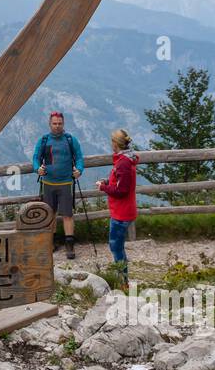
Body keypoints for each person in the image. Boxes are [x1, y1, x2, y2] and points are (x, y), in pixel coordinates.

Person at [33, 111, 84, 259]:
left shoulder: (70, 139)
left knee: (68, 214)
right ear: (50, 124)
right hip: (48, 182)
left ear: (63, 124)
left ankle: (69, 244)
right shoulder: (43, 140)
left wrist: (79, 170)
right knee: (51, 214)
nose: (57, 126)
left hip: (66, 182)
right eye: (54, 123)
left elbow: (80, 157)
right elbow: (36, 158)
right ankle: (52, 241)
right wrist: (38, 168)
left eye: (59, 123)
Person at [96, 128, 138, 285]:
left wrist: (103, 187)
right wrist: (108, 182)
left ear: (115, 143)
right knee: (118, 246)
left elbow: (121, 191)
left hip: (121, 212)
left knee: (116, 247)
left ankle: (123, 282)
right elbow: (121, 184)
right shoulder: (126, 160)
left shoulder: (123, 163)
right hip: (123, 210)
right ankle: (123, 278)